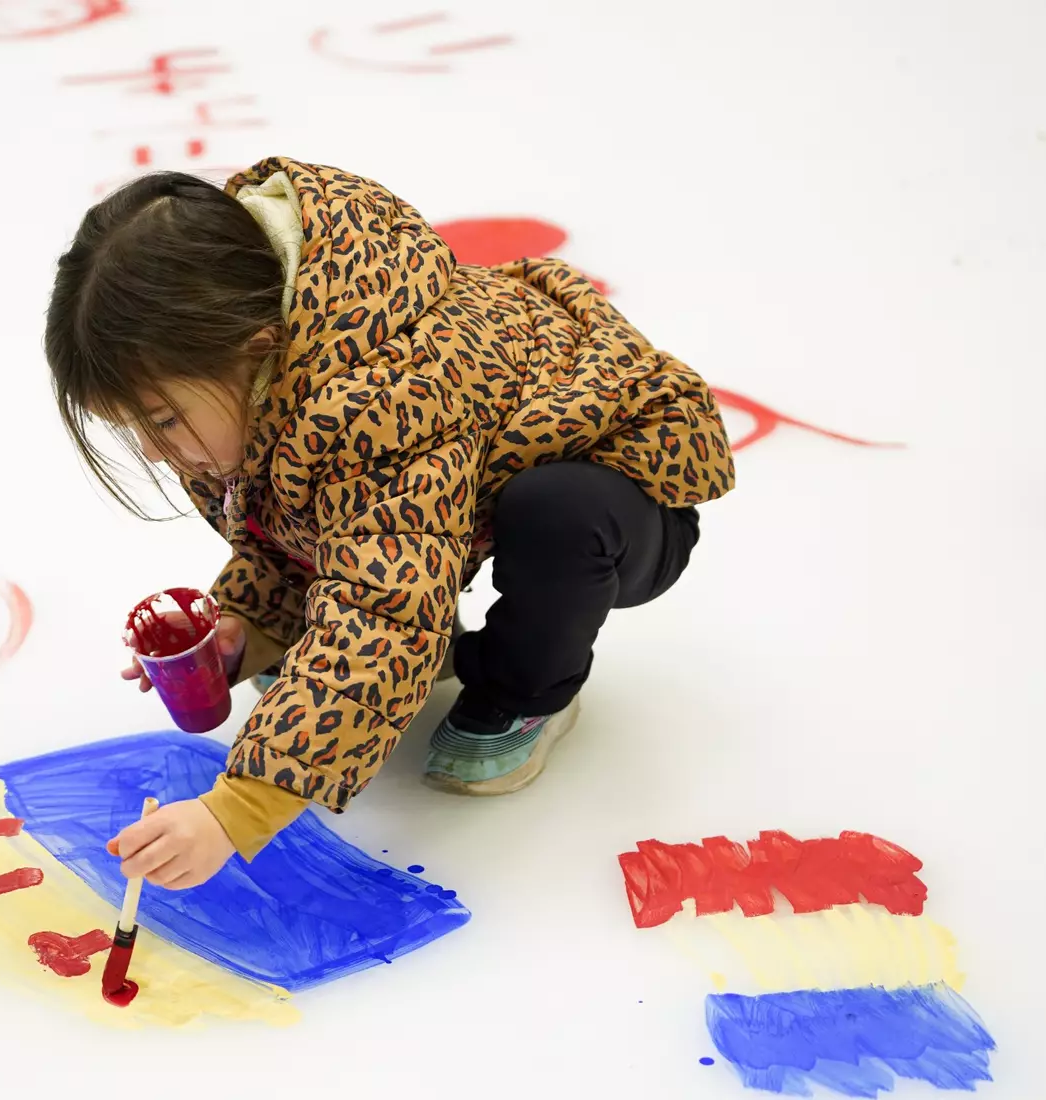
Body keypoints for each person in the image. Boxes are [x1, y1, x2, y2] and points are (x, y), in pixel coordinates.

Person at [45, 158, 735, 891]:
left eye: (160, 420)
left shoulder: (380, 398)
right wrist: (253, 623)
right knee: (365, 551)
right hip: (449, 494)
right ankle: (407, 661)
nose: (154, 451)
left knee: (552, 511)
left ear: (254, 351)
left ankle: (527, 693)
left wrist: (236, 809)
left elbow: (383, 609)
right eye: (132, 430)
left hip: (625, 497)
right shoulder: (260, 379)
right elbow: (303, 526)